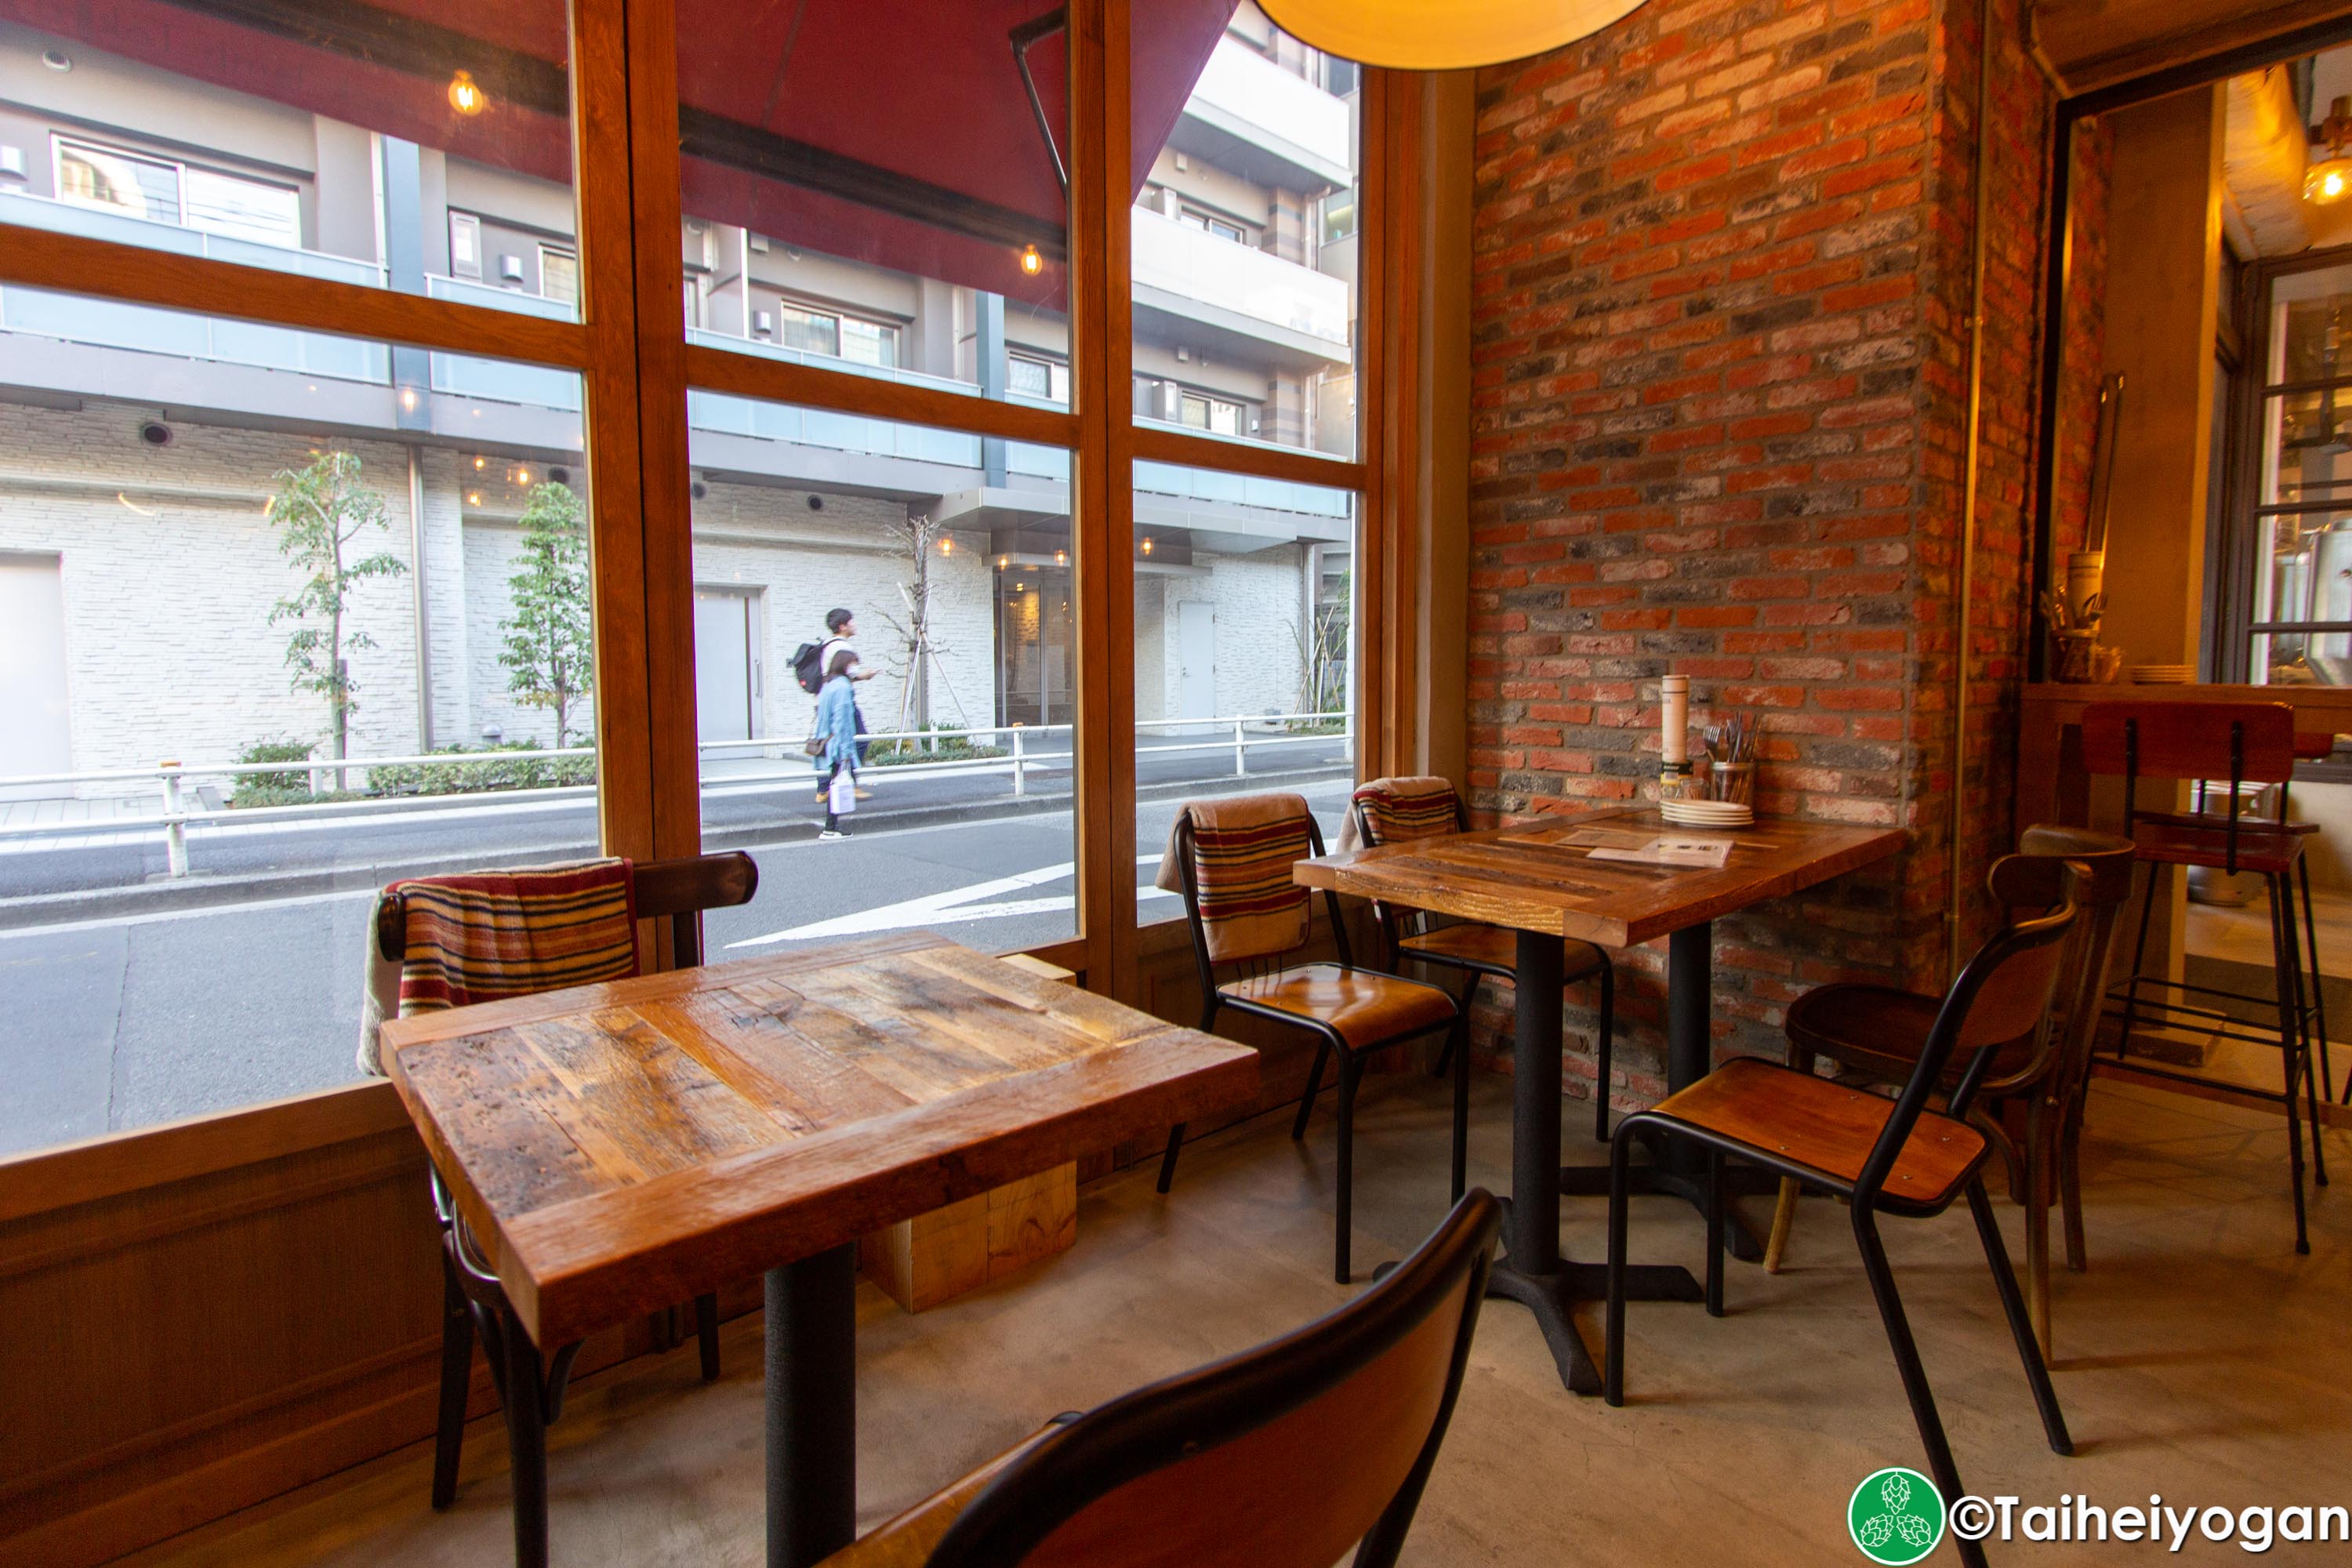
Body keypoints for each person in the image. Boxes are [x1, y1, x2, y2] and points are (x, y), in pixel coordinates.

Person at [815, 606, 877, 801]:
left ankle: (824, 789)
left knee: (828, 740)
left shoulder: (827, 644)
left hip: (826, 698)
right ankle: (847, 782)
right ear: (842, 626)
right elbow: (851, 672)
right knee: (858, 740)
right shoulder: (842, 646)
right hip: (841, 702)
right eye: (851, 621)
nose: (854, 624)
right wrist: (865, 675)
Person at [813, 646, 862, 839]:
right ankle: (830, 828)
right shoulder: (843, 687)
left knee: (835, 784)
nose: (856, 668)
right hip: (839, 744)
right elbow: (843, 721)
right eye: (854, 664)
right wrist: (847, 752)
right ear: (845, 665)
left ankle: (831, 827)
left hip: (827, 741)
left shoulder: (828, 684)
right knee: (838, 784)